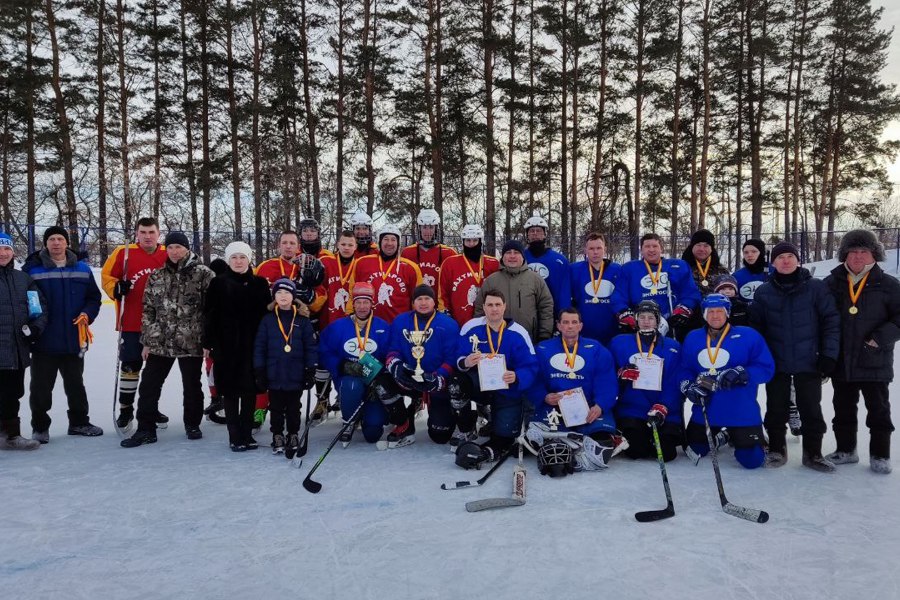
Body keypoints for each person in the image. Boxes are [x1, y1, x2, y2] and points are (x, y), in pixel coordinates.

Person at [750, 241, 840, 471]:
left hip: (809, 360)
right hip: (776, 361)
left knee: (811, 408)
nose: (786, 260)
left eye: (790, 256)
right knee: (776, 408)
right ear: (773, 263)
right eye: (781, 257)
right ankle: (777, 449)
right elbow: (756, 329)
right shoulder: (764, 292)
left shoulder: (816, 288)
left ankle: (813, 453)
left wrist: (828, 355)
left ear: (798, 260)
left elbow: (831, 321)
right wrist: (760, 358)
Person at [120, 232, 214, 447]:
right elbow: (148, 309)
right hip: (161, 341)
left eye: (178, 247)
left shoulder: (203, 274)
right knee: (150, 385)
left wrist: (208, 341)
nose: (174, 251)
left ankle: (192, 424)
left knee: (191, 385)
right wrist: (147, 340)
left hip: (191, 340)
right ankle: (146, 428)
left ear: (187, 249)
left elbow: (212, 310)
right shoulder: (157, 275)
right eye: (170, 247)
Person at [823, 230, 900, 474]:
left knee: (878, 411)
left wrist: (879, 338)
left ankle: (880, 455)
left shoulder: (888, 285)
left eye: (863, 251)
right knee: (842, 409)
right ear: (844, 254)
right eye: (852, 251)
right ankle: (846, 450)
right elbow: (821, 317)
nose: (857, 256)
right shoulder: (831, 283)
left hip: (874, 359)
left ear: (874, 254)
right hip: (842, 360)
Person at [23, 226, 103, 442]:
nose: (56, 243)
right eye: (51, 239)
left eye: (60, 239)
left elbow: (93, 298)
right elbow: (26, 303)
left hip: (74, 339)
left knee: (76, 385)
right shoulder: (33, 271)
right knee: (40, 388)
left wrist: (87, 314)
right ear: (45, 244)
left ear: (67, 243)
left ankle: (79, 422)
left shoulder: (82, 269)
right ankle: (40, 427)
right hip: (44, 341)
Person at [524, 307, 624, 473]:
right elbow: (534, 379)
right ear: (558, 325)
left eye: (574, 322)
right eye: (565, 322)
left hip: (589, 408)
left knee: (603, 439)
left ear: (581, 326)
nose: (570, 326)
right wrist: (544, 396)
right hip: (555, 407)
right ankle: (571, 446)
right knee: (549, 441)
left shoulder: (597, 349)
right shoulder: (543, 349)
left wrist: (600, 406)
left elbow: (607, 382)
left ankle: (580, 445)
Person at [680, 294, 774, 469]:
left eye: (720, 311)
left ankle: (733, 433)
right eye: (711, 312)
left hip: (741, 409)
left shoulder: (748, 335)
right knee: (695, 450)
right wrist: (688, 386)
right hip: (707, 408)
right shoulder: (693, 337)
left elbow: (766, 369)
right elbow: (685, 369)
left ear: (728, 313)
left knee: (752, 460)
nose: (715, 316)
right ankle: (725, 436)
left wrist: (742, 373)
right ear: (704, 314)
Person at [452, 290, 538, 468]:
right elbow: (458, 357)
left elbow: (530, 366)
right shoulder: (472, 328)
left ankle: (490, 440)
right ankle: (467, 429)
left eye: (498, 305)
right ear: (483, 307)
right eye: (490, 305)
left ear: (505, 307)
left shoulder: (517, 332)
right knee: (456, 384)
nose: (494, 309)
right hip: (480, 386)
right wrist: (465, 361)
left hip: (508, 391)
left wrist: (517, 376)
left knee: (504, 436)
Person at [203, 241, 274, 452]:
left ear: (249, 259)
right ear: (228, 260)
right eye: (234, 257)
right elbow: (209, 315)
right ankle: (235, 436)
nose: (238, 261)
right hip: (226, 346)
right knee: (231, 392)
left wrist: (266, 343)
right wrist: (209, 342)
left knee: (250, 391)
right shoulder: (218, 284)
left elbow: (266, 316)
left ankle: (247, 433)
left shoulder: (260, 284)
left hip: (253, 346)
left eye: (242, 257)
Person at [100, 217, 168, 431]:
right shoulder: (124, 252)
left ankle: (149, 408)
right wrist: (116, 287)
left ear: (159, 233)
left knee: (155, 371)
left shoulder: (168, 253)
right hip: (131, 322)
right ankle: (126, 410)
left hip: (161, 324)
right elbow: (106, 277)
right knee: (130, 367)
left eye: (151, 232)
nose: (147, 236)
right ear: (136, 233)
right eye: (143, 232)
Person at [382, 284, 459, 447]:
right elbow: (393, 349)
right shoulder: (400, 321)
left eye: (427, 299)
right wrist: (396, 366)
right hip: (409, 378)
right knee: (382, 383)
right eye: (419, 299)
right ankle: (403, 421)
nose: (423, 303)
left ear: (434, 302)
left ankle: (460, 416)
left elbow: (452, 358)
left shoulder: (449, 324)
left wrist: (438, 378)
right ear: (413, 302)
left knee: (440, 436)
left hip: (434, 382)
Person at [609, 300, 683, 462]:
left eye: (651, 317)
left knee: (666, 453)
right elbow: (607, 374)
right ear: (635, 320)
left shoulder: (673, 346)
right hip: (633, 408)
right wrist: (620, 375)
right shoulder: (619, 343)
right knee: (636, 450)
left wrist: (664, 406)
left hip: (663, 408)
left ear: (658, 320)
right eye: (642, 317)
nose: (646, 321)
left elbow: (675, 381)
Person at [319, 282, 392, 444]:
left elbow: (390, 354)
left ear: (372, 304)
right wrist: (341, 365)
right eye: (358, 302)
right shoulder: (338, 326)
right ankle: (349, 420)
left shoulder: (383, 327)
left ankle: (366, 414)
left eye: (366, 302)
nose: (362, 307)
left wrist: (381, 378)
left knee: (373, 434)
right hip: (349, 382)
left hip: (373, 384)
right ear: (352, 304)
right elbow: (324, 351)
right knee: (352, 385)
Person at [253, 278, 317, 458]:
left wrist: (310, 369)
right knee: (276, 407)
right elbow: (260, 346)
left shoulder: (303, 320)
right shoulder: (268, 319)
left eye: (287, 293)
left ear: (293, 296)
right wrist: (259, 370)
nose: (283, 296)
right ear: (274, 296)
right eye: (279, 293)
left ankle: (293, 434)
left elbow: (310, 347)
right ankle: (278, 435)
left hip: (295, 372)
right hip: (274, 372)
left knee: (293, 407)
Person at [0, 232, 46, 450]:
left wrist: (35, 329)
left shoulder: (23, 279)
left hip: (16, 349)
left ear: (13, 251)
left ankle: (10, 435)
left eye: (7, 248)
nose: (3, 253)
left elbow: (39, 309)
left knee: (12, 394)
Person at [616, 232, 700, 341]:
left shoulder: (678, 266)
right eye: (647, 246)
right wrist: (625, 313)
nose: (651, 250)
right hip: (641, 323)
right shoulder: (629, 269)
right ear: (641, 250)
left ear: (662, 249)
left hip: (671, 324)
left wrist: (683, 309)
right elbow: (618, 296)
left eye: (655, 246)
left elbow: (691, 293)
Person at [474, 239, 554, 343]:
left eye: (516, 252)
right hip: (496, 339)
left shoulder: (535, 279)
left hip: (528, 339)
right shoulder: (491, 281)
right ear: (503, 256)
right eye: (508, 252)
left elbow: (546, 307)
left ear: (522, 256)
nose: (512, 256)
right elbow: (480, 308)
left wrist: (545, 334)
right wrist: (481, 333)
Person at [351, 224, 422, 323]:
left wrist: (418, 322)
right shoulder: (362, 263)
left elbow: (417, 298)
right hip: (368, 324)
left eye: (393, 240)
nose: (389, 243)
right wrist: (350, 313)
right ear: (379, 241)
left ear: (398, 243)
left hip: (400, 325)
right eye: (385, 239)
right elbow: (352, 291)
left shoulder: (411, 267)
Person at [569, 232, 627, 344]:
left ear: (605, 249)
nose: (595, 252)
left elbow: (622, 297)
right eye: (591, 248)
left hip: (611, 329)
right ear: (585, 250)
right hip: (584, 329)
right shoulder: (574, 270)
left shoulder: (617, 270)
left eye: (599, 248)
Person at [437, 223, 500, 326]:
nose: (471, 244)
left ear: (481, 241)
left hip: (487, 322)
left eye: (475, 240)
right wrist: (446, 316)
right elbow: (443, 293)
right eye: (468, 240)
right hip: (458, 322)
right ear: (463, 241)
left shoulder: (493, 263)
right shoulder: (449, 263)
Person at [522, 212, 571, 319]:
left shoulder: (559, 260)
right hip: (526, 314)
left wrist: (563, 315)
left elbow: (564, 291)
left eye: (539, 230)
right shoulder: (519, 258)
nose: (535, 233)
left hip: (552, 315)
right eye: (531, 231)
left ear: (545, 234)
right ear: (527, 235)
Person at [401, 208, 456, 289]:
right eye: (424, 227)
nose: (428, 232)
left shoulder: (449, 253)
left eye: (431, 227)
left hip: (439, 301)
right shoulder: (407, 253)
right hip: (416, 300)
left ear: (436, 229)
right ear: (419, 228)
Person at [319, 230, 359, 330]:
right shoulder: (325, 262)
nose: (346, 248)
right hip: (327, 319)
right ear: (337, 245)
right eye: (343, 244)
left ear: (355, 247)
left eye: (350, 245)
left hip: (352, 321)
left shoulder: (360, 265)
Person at [681, 229, 730, 297]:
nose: (701, 249)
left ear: (711, 249)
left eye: (706, 246)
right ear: (692, 247)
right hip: (688, 307)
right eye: (698, 245)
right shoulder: (682, 269)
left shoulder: (722, 271)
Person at [733, 238, 769, 303]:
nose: (749, 255)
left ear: (761, 253)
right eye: (746, 252)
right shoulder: (736, 276)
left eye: (754, 251)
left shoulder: (775, 271)